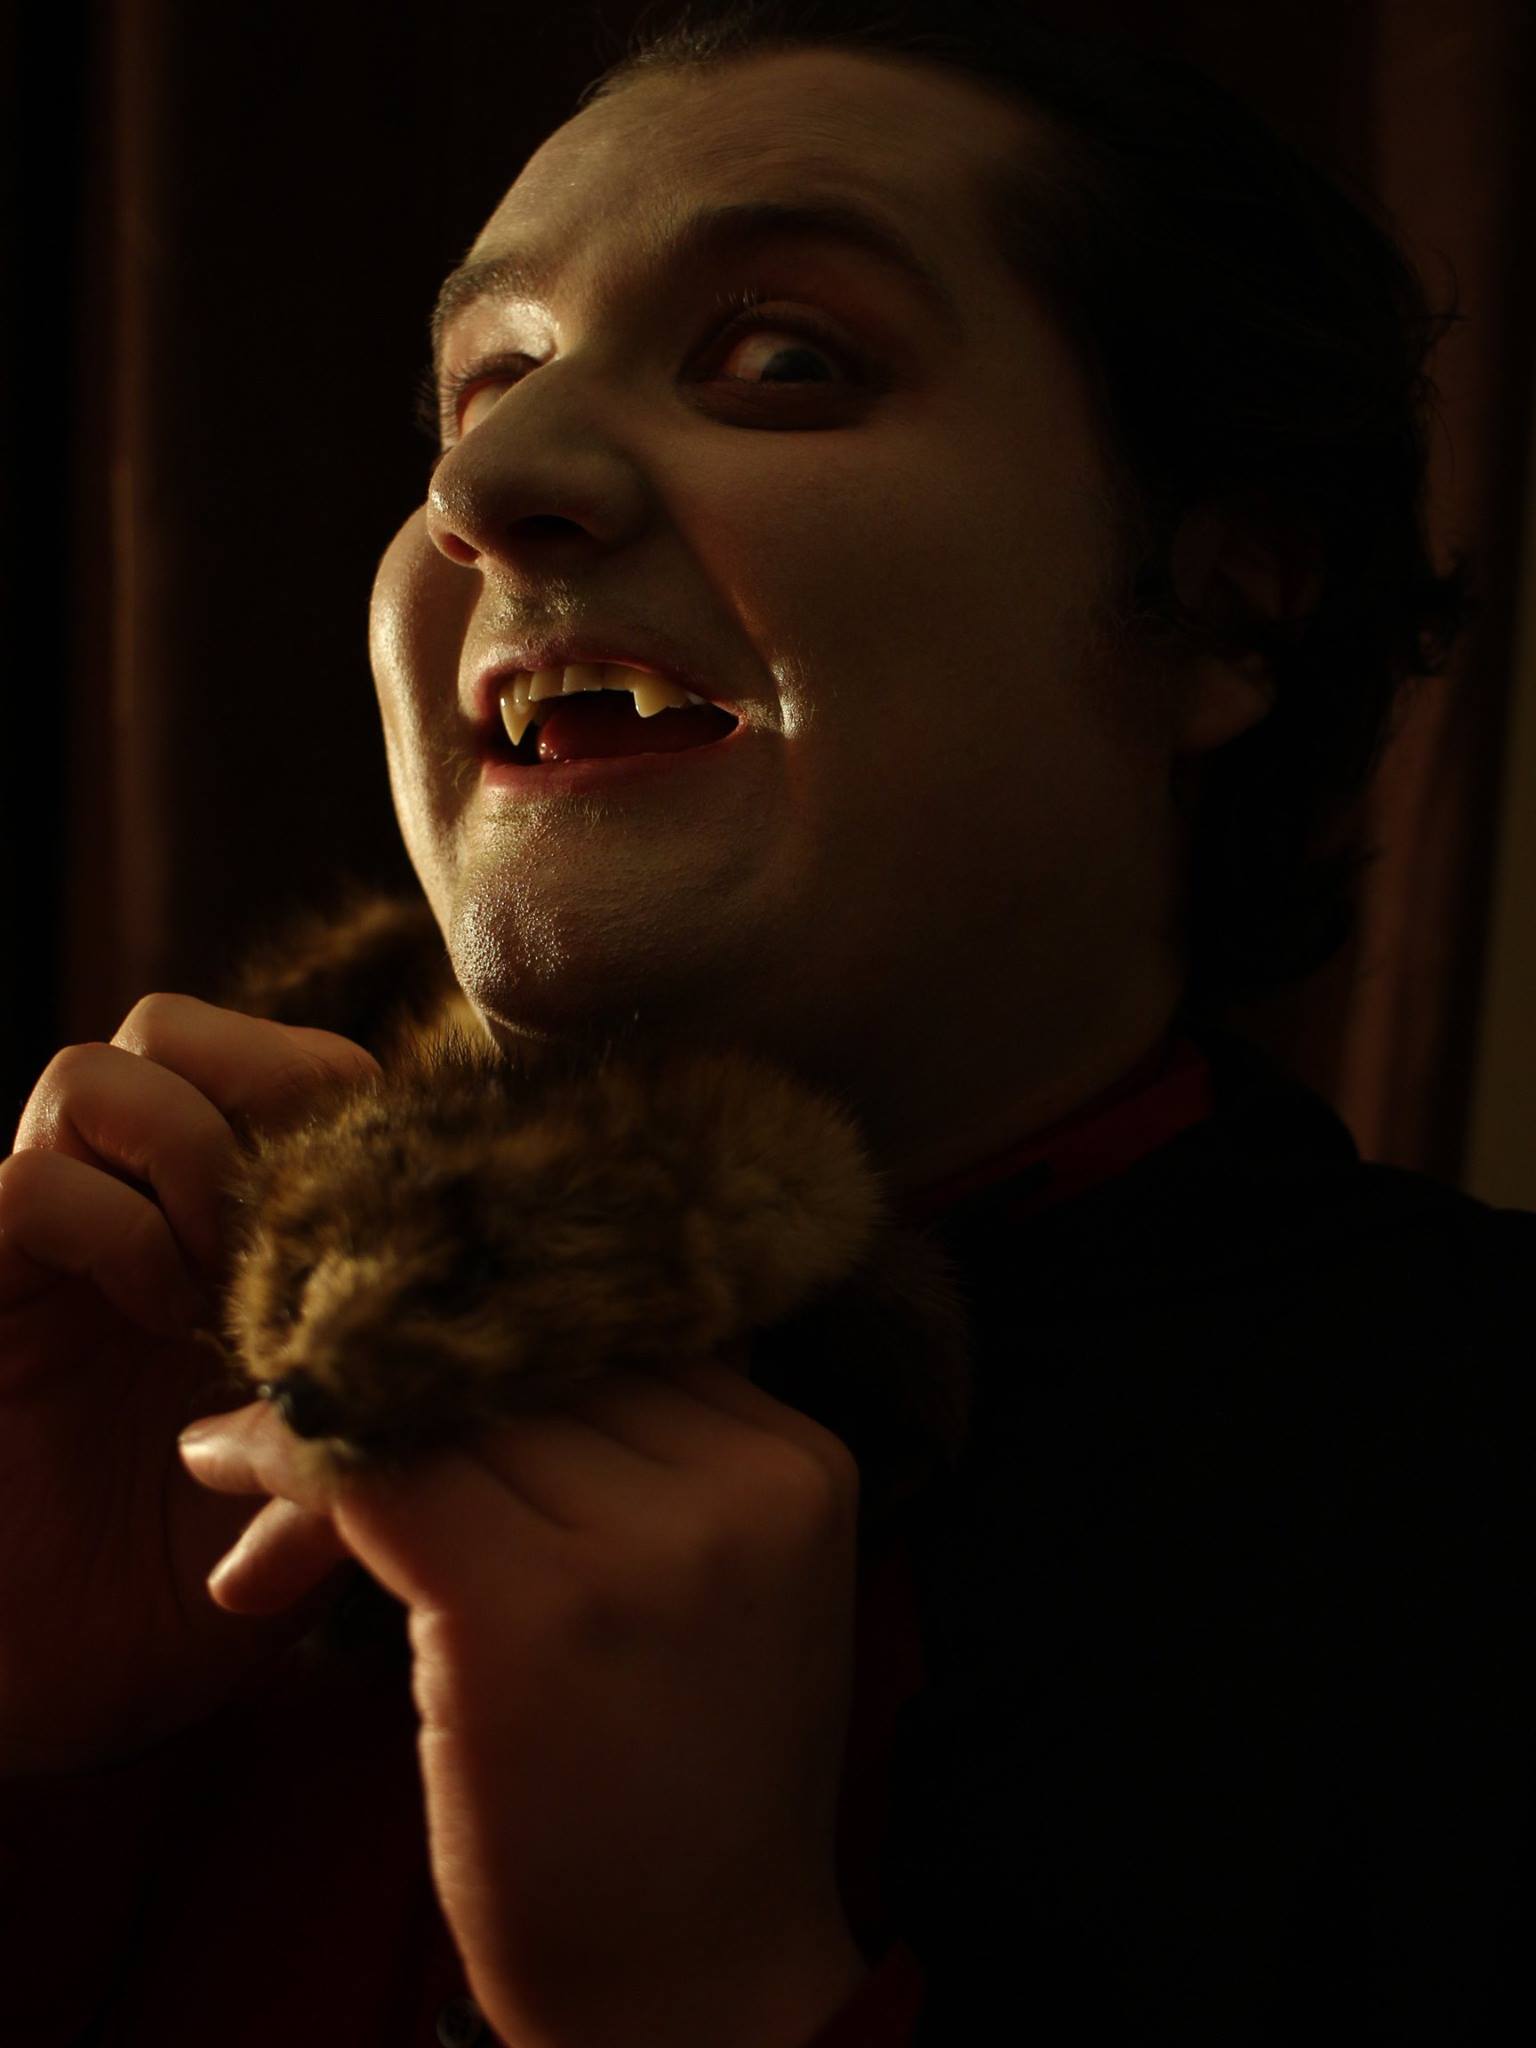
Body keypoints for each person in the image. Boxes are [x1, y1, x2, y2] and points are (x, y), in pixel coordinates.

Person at [2, 2, 1525, 2042]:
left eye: (784, 362)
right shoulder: (129, 1399)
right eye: (486, 381)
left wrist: (702, 2008)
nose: (491, 480)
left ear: (1225, 604)